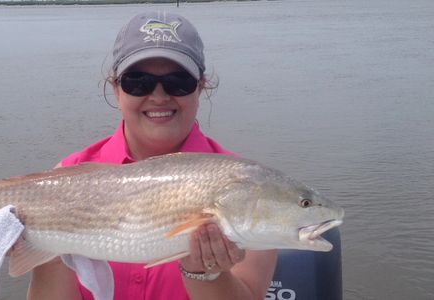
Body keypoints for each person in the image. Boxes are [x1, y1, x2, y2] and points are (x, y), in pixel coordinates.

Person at [27, 11, 277, 300]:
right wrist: (45, 246)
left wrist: (205, 275)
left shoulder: (247, 188)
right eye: (138, 81)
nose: (159, 96)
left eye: (178, 81)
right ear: (116, 89)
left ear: (201, 87)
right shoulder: (68, 175)